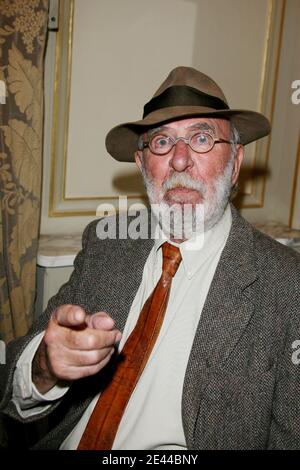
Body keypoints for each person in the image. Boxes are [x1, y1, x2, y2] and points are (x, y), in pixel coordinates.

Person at [1, 66, 300, 450]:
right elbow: (14, 383)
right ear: (143, 165)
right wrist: (45, 367)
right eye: (162, 142)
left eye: (202, 138)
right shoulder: (107, 244)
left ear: (235, 163)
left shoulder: (286, 285)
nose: (179, 161)